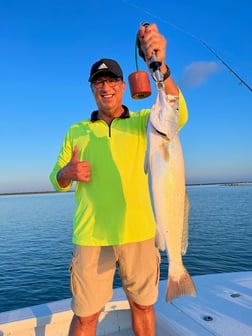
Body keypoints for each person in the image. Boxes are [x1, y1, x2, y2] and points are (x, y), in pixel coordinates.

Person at [50, 23, 188, 336]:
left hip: (140, 233)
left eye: (111, 80)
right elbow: (55, 176)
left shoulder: (145, 123)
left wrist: (160, 66)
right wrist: (66, 173)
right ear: (91, 89)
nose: (105, 87)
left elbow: (176, 112)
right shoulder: (76, 131)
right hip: (91, 237)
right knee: (85, 315)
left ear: (123, 86)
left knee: (142, 306)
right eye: (98, 82)